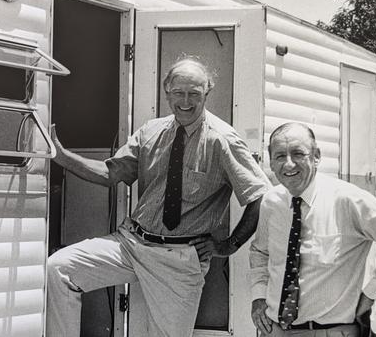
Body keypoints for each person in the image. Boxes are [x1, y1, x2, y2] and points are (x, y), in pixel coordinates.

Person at [46, 57, 271, 337]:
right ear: (167, 92)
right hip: (130, 244)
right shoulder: (151, 131)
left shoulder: (222, 139)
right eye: (178, 92)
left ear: (207, 93)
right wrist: (63, 157)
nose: (185, 101)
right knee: (59, 268)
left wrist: (228, 245)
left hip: (178, 259)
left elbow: (260, 197)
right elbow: (110, 174)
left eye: (194, 94)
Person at [249, 122, 376, 336]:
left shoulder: (348, 200)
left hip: (331, 331)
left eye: (298, 154)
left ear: (316, 156)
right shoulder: (272, 202)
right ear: (271, 160)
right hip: (276, 331)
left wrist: (371, 292)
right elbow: (260, 251)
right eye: (280, 156)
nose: (288, 165)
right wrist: (259, 297)